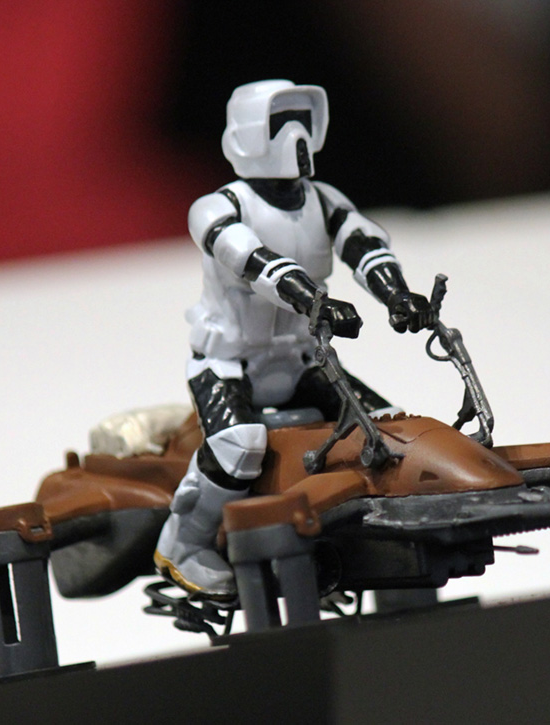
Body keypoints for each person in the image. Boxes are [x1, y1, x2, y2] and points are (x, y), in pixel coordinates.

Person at [154, 80, 436, 599]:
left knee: (387, 429)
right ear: (246, 134)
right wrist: (315, 301)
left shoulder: (323, 200)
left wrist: (398, 295)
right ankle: (183, 544)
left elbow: (364, 245)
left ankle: (360, 537)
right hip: (228, 363)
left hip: (304, 359)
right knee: (238, 446)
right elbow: (254, 262)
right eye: (280, 121)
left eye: (302, 120)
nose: (295, 136)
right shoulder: (218, 206)